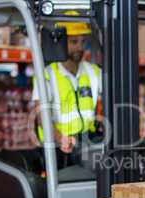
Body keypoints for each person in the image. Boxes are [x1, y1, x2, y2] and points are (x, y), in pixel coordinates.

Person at [33, 11, 101, 167]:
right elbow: (42, 117)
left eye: (83, 42)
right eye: (74, 42)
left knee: (125, 150)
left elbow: (114, 97)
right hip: (60, 142)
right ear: (62, 42)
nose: (79, 47)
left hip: (88, 137)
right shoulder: (47, 75)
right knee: (94, 160)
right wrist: (61, 138)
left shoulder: (93, 71)